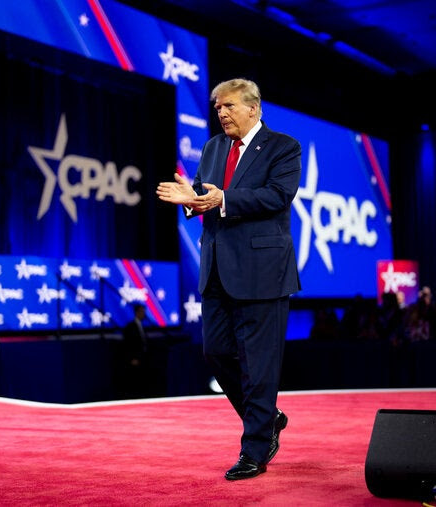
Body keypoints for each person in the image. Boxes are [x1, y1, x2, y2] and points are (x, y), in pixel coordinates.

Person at [157, 78, 302, 480]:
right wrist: (192, 200)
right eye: (217, 107)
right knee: (216, 351)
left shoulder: (283, 147)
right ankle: (267, 418)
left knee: (259, 366)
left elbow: (278, 195)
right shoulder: (212, 147)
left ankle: (255, 449)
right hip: (217, 268)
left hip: (263, 271)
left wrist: (224, 198)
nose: (221, 113)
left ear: (254, 108)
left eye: (229, 106)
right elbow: (206, 199)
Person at [119, 303, 149, 398]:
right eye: (142, 312)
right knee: (133, 382)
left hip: (142, 359)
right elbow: (127, 345)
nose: (144, 314)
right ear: (137, 312)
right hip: (133, 360)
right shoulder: (130, 327)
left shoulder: (142, 326)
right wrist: (132, 358)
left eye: (144, 312)